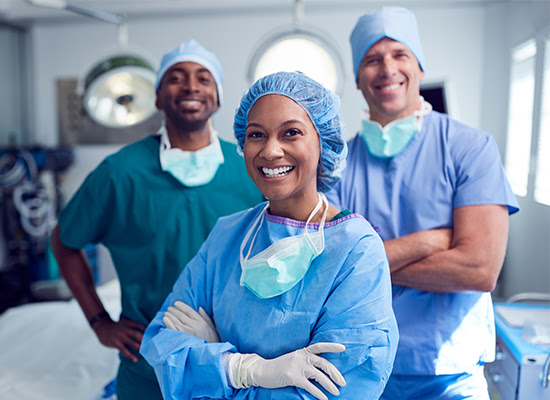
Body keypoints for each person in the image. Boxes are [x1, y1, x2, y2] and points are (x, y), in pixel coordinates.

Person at [140, 71, 398, 399]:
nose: (271, 151)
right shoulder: (228, 236)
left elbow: (337, 390)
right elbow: (164, 343)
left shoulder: (355, 250)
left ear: (323, 141)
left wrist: (215, 358)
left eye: (291, 133)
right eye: (257, 135)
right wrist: (248, 369)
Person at [50, 39, 264, 400]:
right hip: (148, 367)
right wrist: (100, 321)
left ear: (218, 96)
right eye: (176, 77)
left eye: (203, 78)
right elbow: (63, 241)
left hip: (236, 362)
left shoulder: (250, 167)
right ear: (159, 97)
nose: (191, 86)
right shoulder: (120, 173)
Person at [326, 6, 520, 400]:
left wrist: (367, 266)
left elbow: (480, 269)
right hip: (359, 369)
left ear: (420, 67)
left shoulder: (470, 147)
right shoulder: (336, 167)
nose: (387, 68)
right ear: (358, 79)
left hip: (450, 372)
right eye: (372, 59)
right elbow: (328, 271)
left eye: (400, 55)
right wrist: (430, 241)